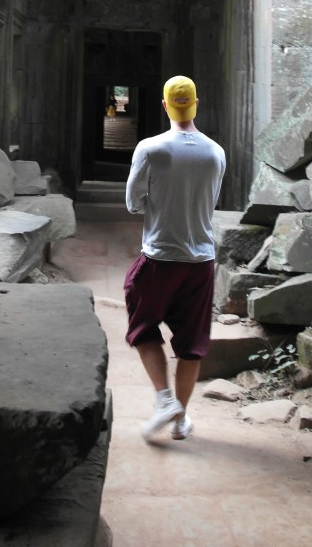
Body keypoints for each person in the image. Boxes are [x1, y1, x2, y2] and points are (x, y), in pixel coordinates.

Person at [124, 75, 226, 442]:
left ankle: (165, 399)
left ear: (165, 105)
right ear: (196, 102)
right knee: (192, 341)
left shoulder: (151, 149)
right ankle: (181, 419)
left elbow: (133, 203)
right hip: (201, 259)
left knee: (142, 324)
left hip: (160, 254)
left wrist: (160, 202)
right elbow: (210, 201)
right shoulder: (215, 152)